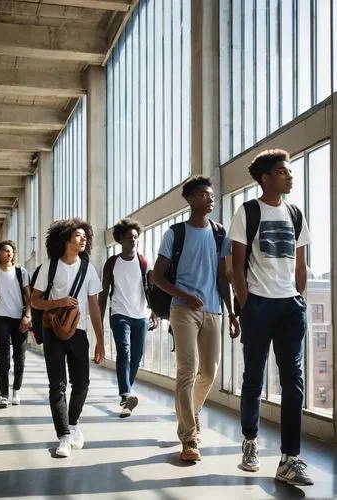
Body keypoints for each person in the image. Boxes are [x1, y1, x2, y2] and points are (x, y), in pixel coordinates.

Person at [228, 149, 313, 486]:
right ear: (265, 178)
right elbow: (236, 265)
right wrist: (247, 304)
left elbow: (301, 263)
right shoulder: (247, 212)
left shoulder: (295, 213)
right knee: (254, 377)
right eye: (282, 172)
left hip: (290, 307)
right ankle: (250, 441)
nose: (289, 176)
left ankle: (290, 458)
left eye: (290, 172)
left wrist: (299, 299)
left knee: (293, 380)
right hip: (258, 305)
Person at [153, 175, 240, 462]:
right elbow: (157, 276)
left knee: (210, 372)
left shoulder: (219, 234)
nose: (210, 198)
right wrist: (185, 295)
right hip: (182, 309)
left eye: (212, 195)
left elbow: (223, 277)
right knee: (187, 369)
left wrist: (232, 313)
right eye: (204, 194)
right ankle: (189, 438)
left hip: (214, 309)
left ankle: (192, 410)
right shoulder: (174, 233)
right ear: (190, 200)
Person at [32, 218, 105, 458]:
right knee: (57, 386)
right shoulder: (49, 266)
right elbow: (35, 300)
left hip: (79, 332)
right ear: (65, 239)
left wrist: (101, 342)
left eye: (85, 236)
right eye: (78, 236)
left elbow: (94, 306)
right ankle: (63, 435)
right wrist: (58, 302)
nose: (83, 239)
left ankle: (73, 424)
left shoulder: (89, 269)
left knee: (82, 383)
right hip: (53, 331)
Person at [99, 218, 158, 418]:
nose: (134, 240)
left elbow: (151, 289)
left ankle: (127, 389)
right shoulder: (112, 263)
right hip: (119, 313)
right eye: (129, 237)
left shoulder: (144, 262)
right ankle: (125, 395)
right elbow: (103, 291)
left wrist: (155, 312)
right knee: (124, 352)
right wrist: (98, 317)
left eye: (136, 237)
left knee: (137, 355)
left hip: (140, 314)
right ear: (120, 239)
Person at [0, 241, 31, 407]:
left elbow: (29, 296)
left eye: (11, 251)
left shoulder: (21, 272)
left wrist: (27, 315)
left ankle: (16, 391)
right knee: (3, 358)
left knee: (20, 357)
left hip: (19, 318)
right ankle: (3, 394)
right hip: (1, 317)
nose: (9, 254)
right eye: (5, 251)